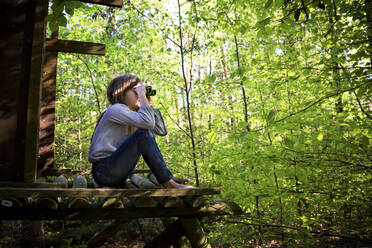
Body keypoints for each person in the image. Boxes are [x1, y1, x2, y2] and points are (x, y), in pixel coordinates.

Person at [88, 73, 192, 189]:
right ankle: (168, 183)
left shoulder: (133, 114)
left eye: (140, 91)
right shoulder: (115, 109)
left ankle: (166, 179)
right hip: (104, 171)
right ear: (122, 92)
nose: (139, 94)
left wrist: (148, 104)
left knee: (144, 133)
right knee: (143, 134)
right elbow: (147, 125)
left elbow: (161, 131)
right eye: (135, 91)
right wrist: (142, 95)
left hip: (116, 171)